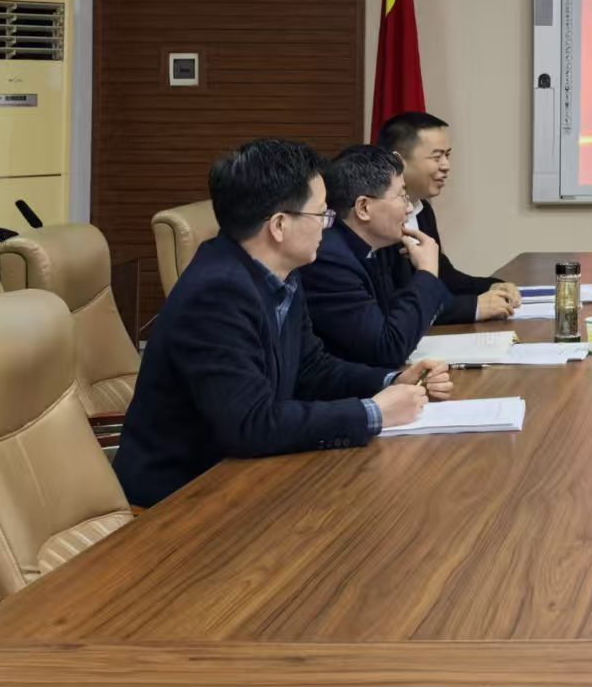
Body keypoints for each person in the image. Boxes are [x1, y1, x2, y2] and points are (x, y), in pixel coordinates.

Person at [114, 139, 452, 508]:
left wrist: (390, 381)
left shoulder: (280, 271)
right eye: (321, 215)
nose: (327, 227)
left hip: (245, 477)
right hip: (182, 499)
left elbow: (311, 368)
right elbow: (250, 423)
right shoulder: (217, 293)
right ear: (279, 225)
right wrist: (373, 413)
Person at [300, 144, 459, 367]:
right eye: (401, 196)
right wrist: (426, 273)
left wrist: (426, 275)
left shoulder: (375, 248)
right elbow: (388, 348)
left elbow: (421, 309)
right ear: (364, 208)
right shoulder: (329, 261)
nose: (409, 208)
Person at [378, 110, 520, 322]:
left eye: (448, 155)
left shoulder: (423, 210)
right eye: (437, 157)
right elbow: (392, 303)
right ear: (398, 160)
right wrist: (473, 307)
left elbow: (443, 276)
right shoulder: (379, 218)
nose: (446, 166)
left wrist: (491, 286)